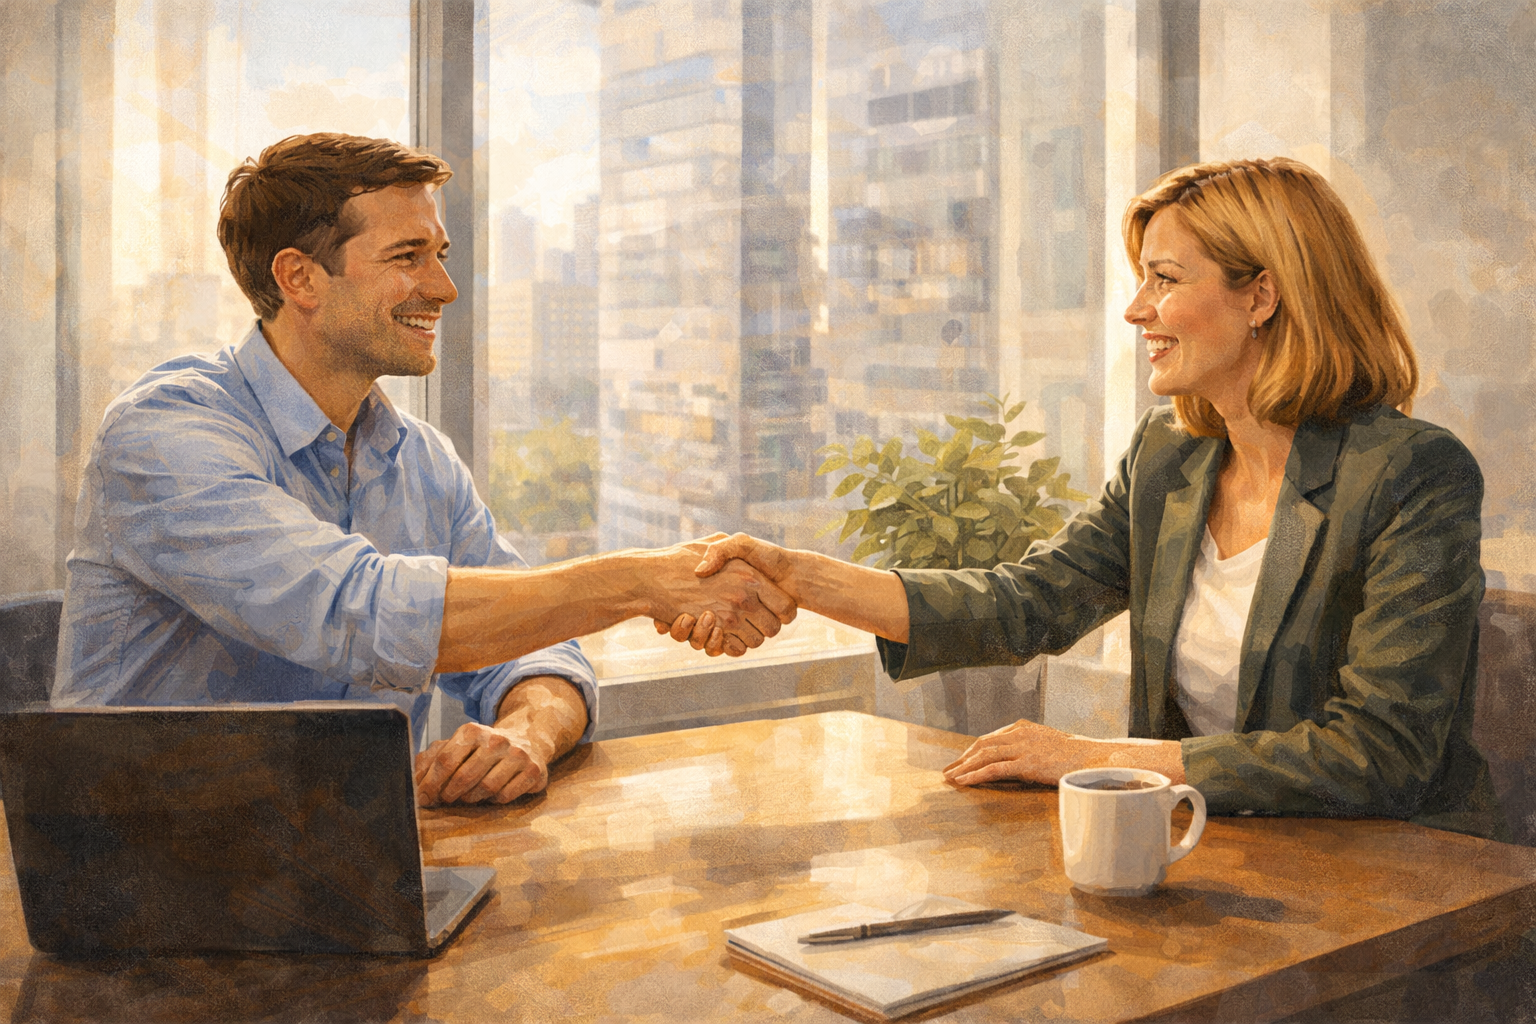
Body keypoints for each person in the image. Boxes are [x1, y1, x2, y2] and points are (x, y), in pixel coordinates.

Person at [663, 157, 1504, 840]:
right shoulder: (1170, 458)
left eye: (1165, 279)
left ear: (1261, 296)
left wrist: (1095, 757)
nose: (1138, 310)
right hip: (1215, 851)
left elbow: (1380, 752)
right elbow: (1030, 602)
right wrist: (803, 578)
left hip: (1395, 882)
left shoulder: (1413, 475)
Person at [54, 133, 795, 807]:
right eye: (408, 258)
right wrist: (635, 581)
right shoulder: (163, 434)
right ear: (300, 278)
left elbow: (541, 652)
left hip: (358, 873)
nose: (443, 288)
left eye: (438, 255)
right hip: (146, 881)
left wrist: (527, 733)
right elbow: (357, 612)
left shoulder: (423, 462)